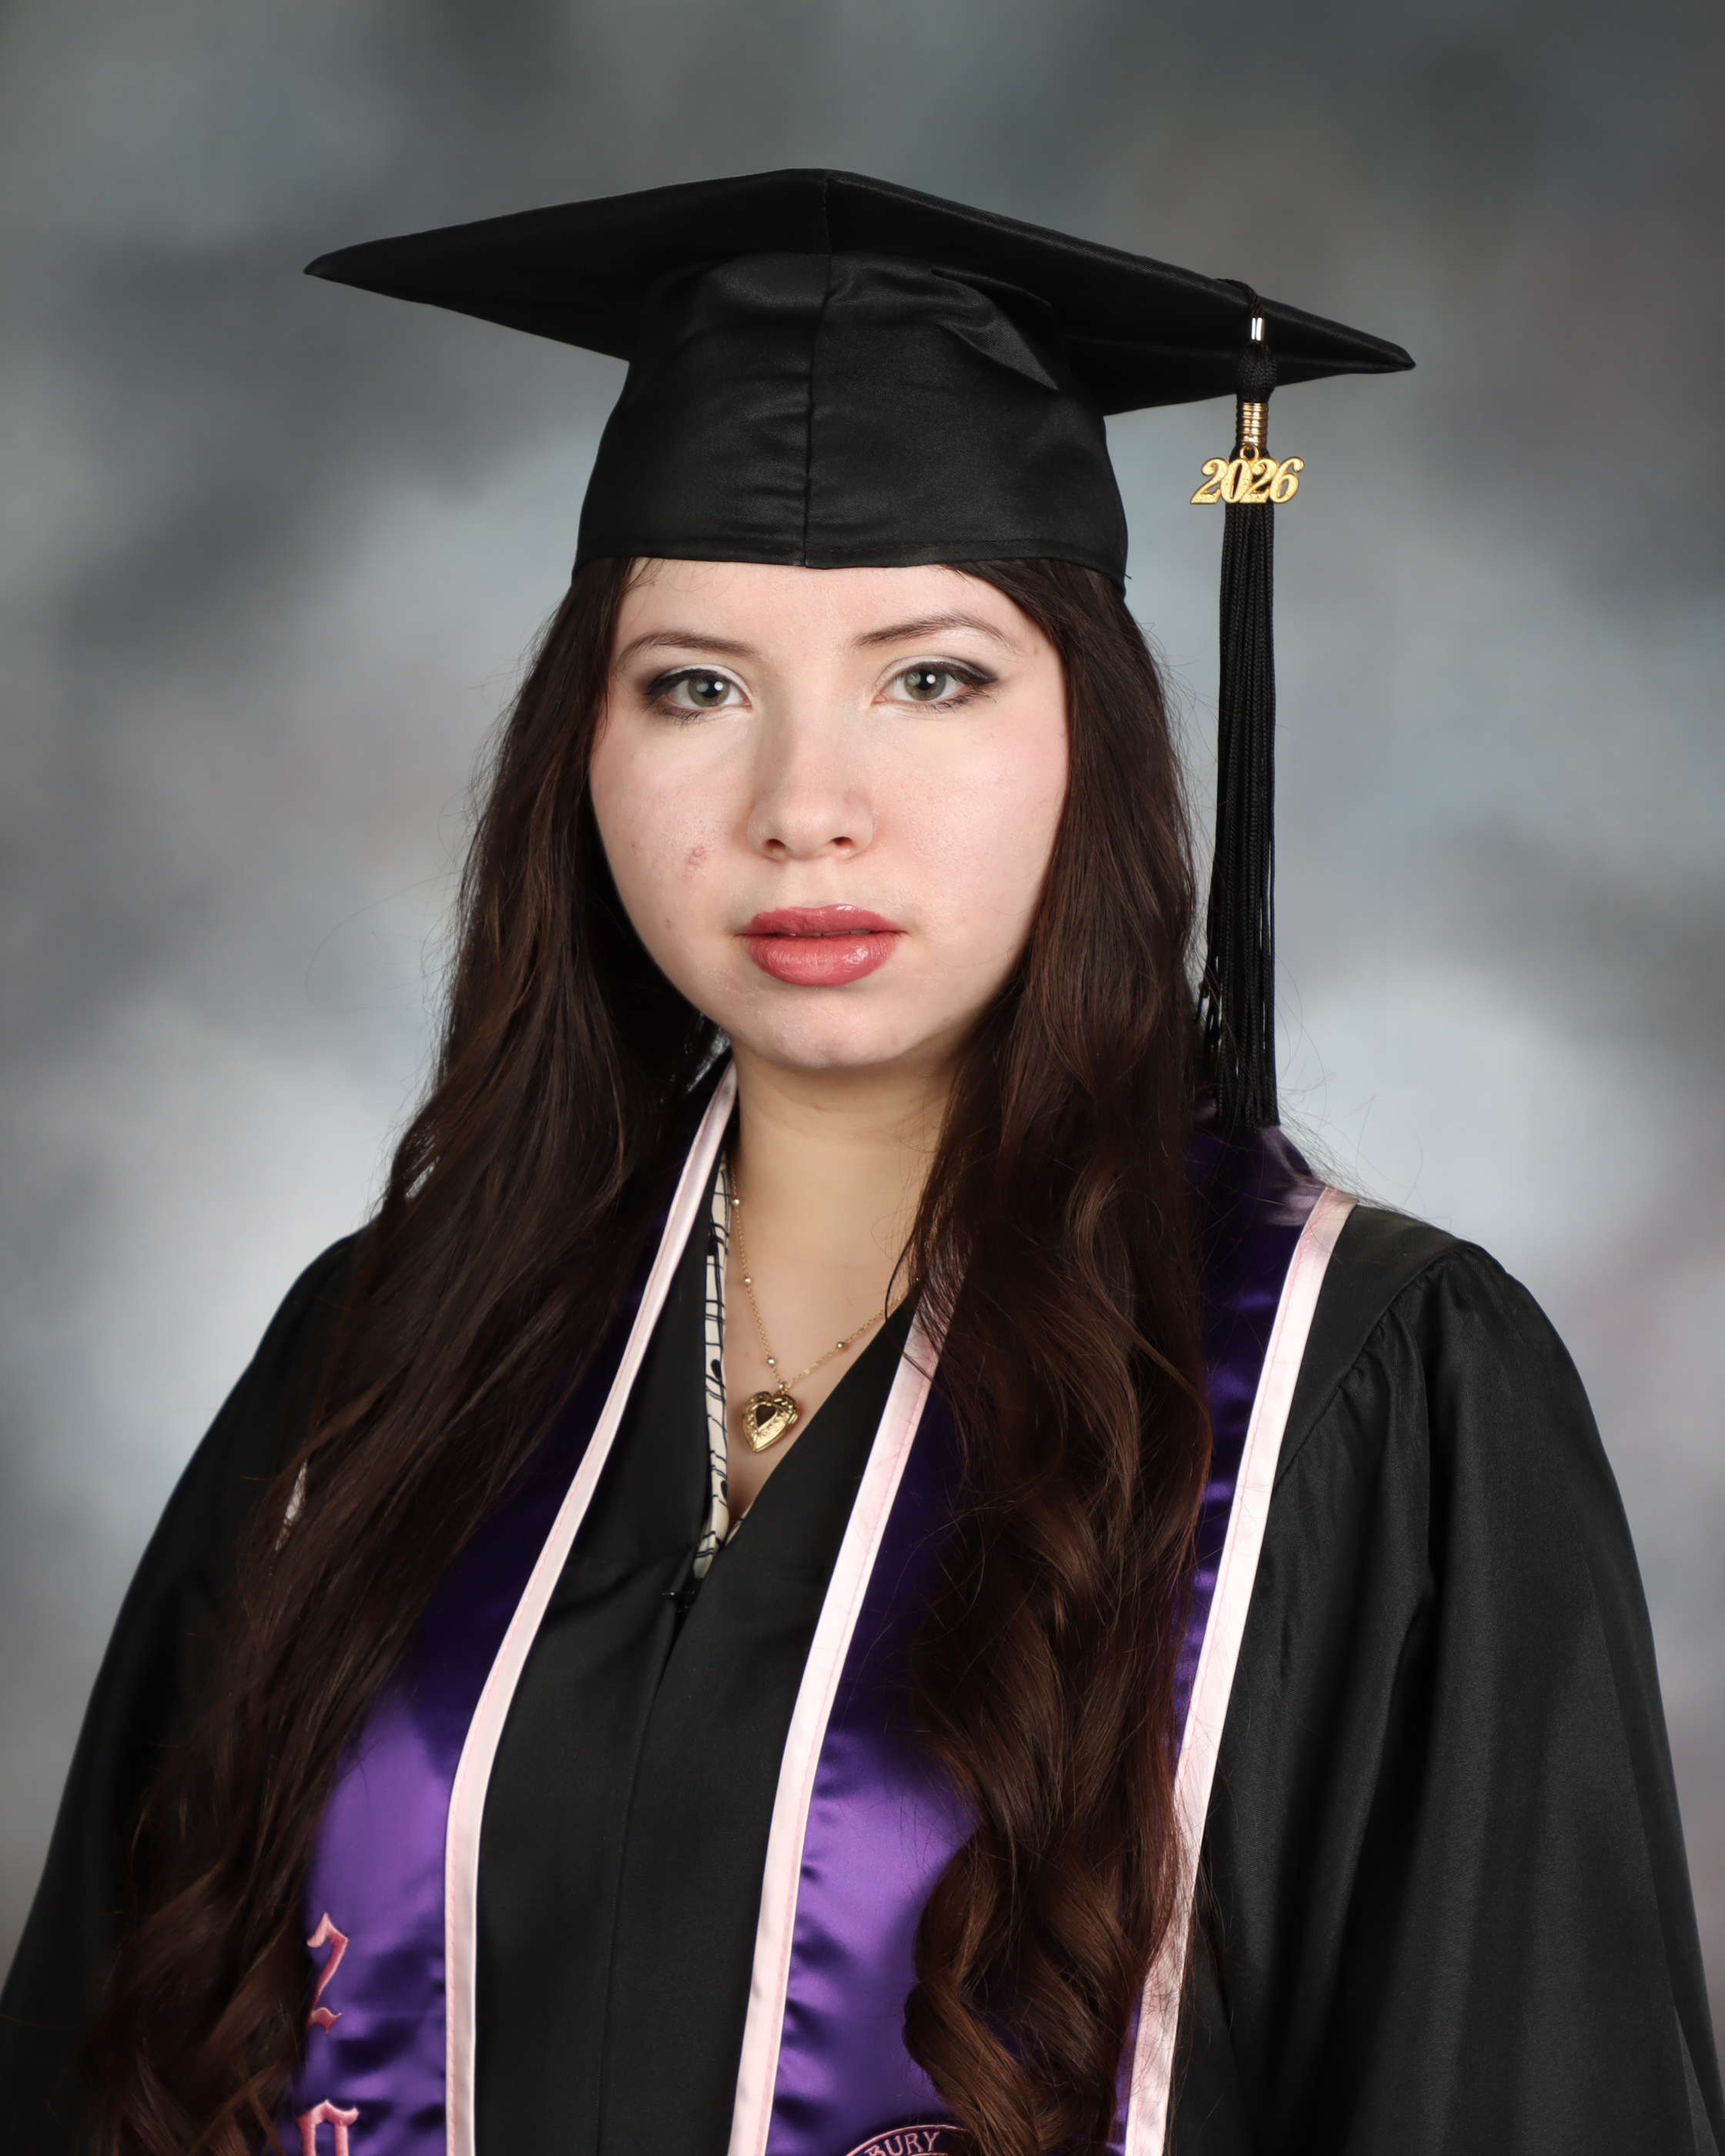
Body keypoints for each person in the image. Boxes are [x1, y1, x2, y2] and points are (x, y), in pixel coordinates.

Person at [2, 169, 1718, 2156]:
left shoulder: (1366, 1398)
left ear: (1090, 737)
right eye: (696, 686)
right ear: (583, 751)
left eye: (932, 676)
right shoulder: (377, 1366)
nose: (804, 805)